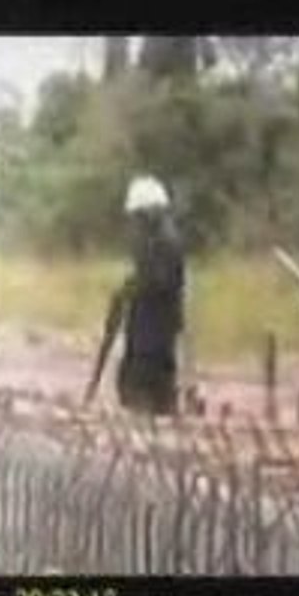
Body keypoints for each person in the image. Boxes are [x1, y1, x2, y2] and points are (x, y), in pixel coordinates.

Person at [86, 175, 186, 416]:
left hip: (154, 329)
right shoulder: (155, 240)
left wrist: (128, 291)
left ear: (150, 213)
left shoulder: (165, 242)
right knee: (143, 384)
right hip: (151, 328)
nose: (135, 223)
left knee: (141, 385)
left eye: (139, 217)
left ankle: (151, 424)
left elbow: (159, 281)